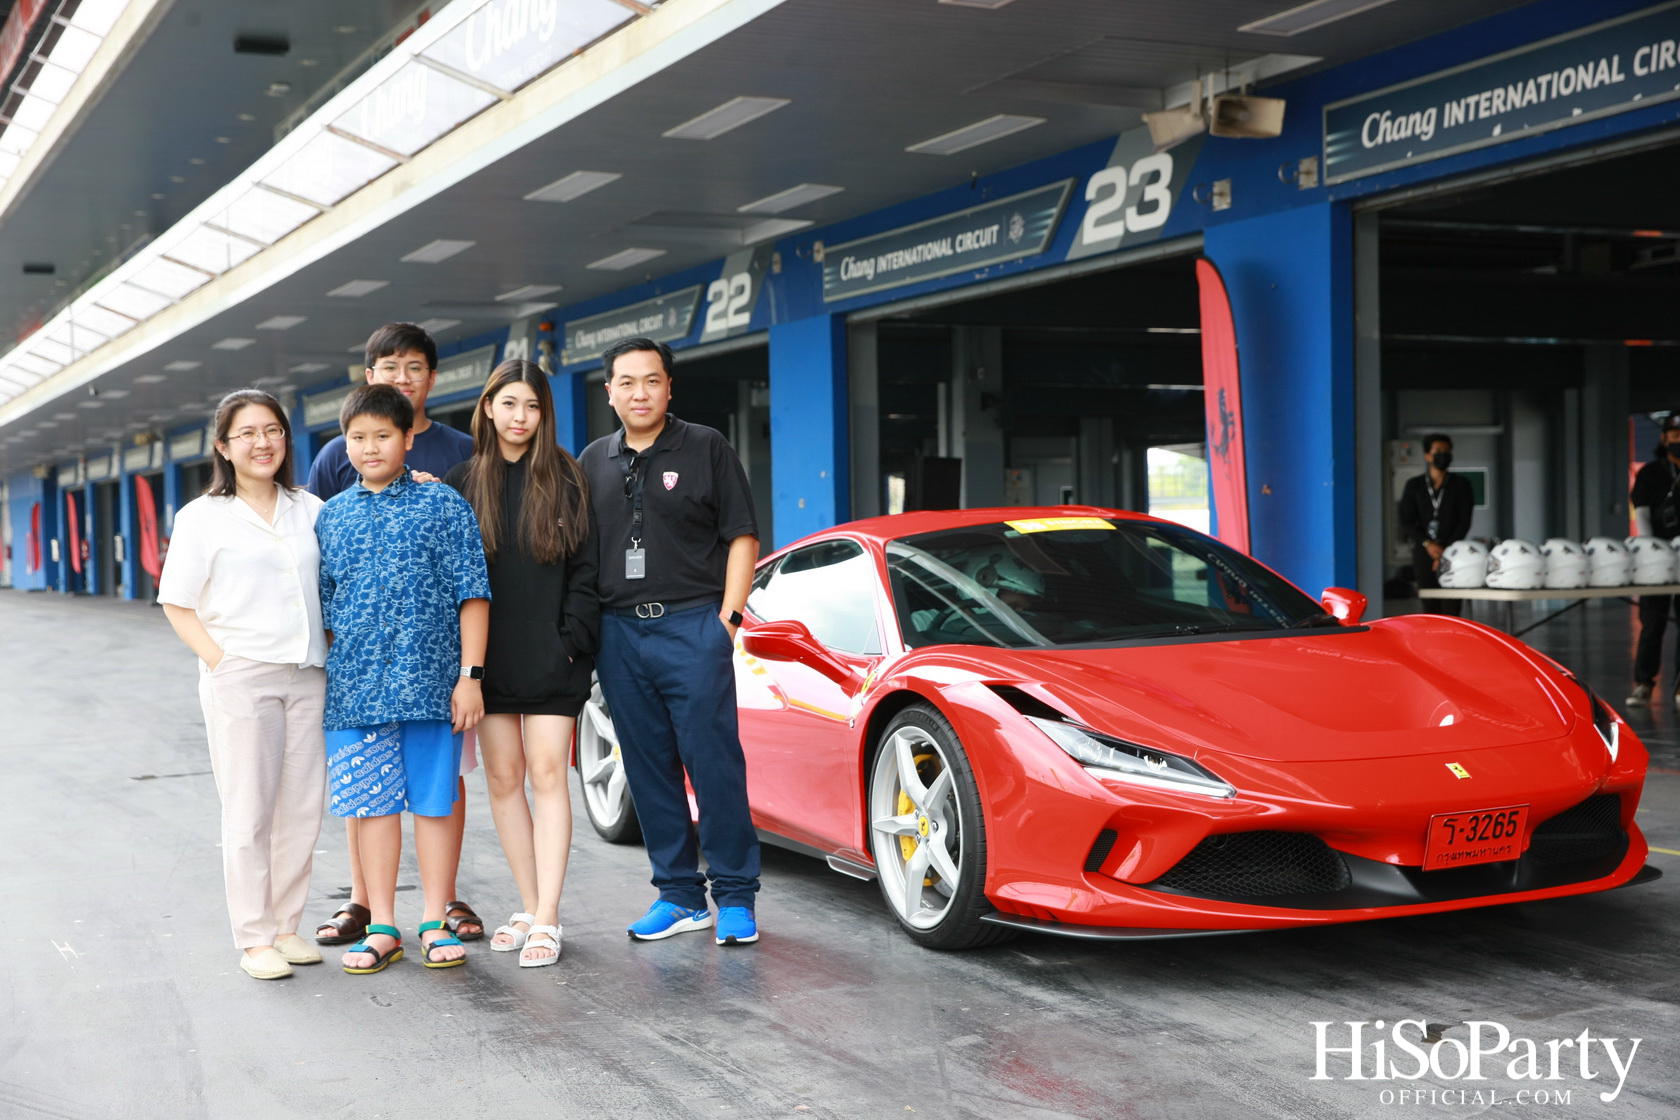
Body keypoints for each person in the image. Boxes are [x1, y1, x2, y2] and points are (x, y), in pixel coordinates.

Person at [578, 337, 762, 946]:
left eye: (651, 381)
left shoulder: (706, 445)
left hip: (692, 627)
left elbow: (741, 536)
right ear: (609, 392)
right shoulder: (592, 460)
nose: (639, 393)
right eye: (626, 382)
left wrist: (727, 623)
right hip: (620, 633)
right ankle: (680, 895)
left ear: (669, 387)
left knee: (714, 765)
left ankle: (735, 894)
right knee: (648, 768)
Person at [308, 323, 484, 949]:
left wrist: (470, 677)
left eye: (383, 436)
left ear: (409, 438)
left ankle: (436, 920)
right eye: (358, 438)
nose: (370, 447)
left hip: (432, 687)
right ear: (343, 444)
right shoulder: (330, 517)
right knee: (372, 806)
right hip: (355, 691)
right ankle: (381, 922)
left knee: (434, 803)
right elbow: (323, 608)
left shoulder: (443, 505)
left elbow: (473, 593)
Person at [157, 390, 328, 981]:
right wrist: (219, 661)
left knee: (302, 807)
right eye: (248, 433)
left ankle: (287, 926)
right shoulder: (202, 517)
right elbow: (176, 603)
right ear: (224, 447)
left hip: (309, 673)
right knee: (250, 809)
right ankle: (255, 938)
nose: (263, 443)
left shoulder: (310, 508)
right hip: (242, 675)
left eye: (274, 430)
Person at [444, 360, 599, 967]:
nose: (520, 417)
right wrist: (465, 668)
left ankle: (550, 916)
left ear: (544, 414)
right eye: (508, 404)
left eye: (531, 407)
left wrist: (573, 640)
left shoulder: (567, 477)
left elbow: (587, 570)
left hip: (554, 655)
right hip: (489, 660)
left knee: (548, 775)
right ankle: (532, 904)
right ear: (488, 408)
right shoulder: (462, 480)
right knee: (504, 781)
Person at [1627, 413, 1680, 706]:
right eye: (1674, 436)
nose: (1678, 442)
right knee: (1652, 622)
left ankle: (1679, 687)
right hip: (1656, 561)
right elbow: (1643, 513)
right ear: (1664, 439)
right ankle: (1644, 682)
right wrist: (1651, 549)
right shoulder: (1651, 473)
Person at [1397, 433, 1473, 616]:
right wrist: (1428, 544)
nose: (1443, 455)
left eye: (1447, 451)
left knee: (1452, 605)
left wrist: (1444, 550)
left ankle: (1451, 642)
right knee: (1429, 605)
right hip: (1424, 552)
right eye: (1438, 451)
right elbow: (1406, 521)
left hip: (1453, 553)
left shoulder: (1462, 485)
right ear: (1427, 456)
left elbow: (1464, 522)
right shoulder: (1414, 485)